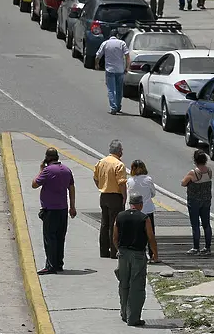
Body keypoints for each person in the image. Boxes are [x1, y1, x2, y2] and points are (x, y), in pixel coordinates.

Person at [113, 193, 159, 327]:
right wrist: (155, 254)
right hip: (138, 254)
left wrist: (119, 250)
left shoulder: (120, 216)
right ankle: (133, 318)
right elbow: (151, 237)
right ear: (140, 204)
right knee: (137, 286)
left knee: (123, 283)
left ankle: (124, 313)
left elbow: (115, 237)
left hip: (123, 253)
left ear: (130, 203)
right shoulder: (144, 218)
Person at [31, 148, 77, 275]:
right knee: (60, 237)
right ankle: (58, 263)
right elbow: (71, 188)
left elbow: (34, 184)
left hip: (50, 210)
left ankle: (50, 265)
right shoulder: (67, 170)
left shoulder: (47, 171)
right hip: (63, 209)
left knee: (49, 238)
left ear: (47, 158)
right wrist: (72, 207)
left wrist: (41, 169)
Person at [94, 140, 128, 258]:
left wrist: (101, 186)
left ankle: (103, 251)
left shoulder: (101, 162)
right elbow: (121, 183)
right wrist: (124, 196)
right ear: (119, 151)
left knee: (104, 224)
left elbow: (96, 178)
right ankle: (114, 251)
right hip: (115, 196)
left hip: (104, 195)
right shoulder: (119, 165)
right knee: (115, 224)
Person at [126, 160, 159, 262]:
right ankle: (152, 254)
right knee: (150, 233)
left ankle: (138, 253)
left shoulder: (130, 181)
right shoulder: (148, 179)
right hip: (148, 210)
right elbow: (153, 193)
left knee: (136, 233)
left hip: (135, 211)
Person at [181, 149, 212, 255]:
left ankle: (196, 247)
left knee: (195, 225)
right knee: (206, 224)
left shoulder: (193, 172)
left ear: (195, 160)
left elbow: (183, 183)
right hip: (206, 200)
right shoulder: (209, 171)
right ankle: (207, 247)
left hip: (194, 201)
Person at [95, 28, 130, 115]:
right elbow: (127, 56)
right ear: (117, 35)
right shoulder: (122, 43)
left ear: (110, 36)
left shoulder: (105, 43)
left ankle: (113, 107)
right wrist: (127, 67)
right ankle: (118, 106)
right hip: (120, 70)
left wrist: (97, 64)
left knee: (111, 89)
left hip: (109, 70)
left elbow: (98, 55)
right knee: (119, 90)